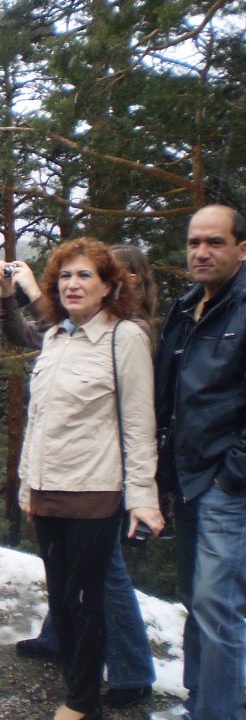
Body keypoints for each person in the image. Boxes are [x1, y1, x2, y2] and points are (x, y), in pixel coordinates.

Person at [0, 252, 158, 709]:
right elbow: (41, 421)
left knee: (86, 601)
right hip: (48, 490)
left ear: (109, 286)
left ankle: (82, 704)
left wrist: (143, 498)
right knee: (63, 602)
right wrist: (28, 487)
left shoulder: (124, 338)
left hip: (93, 491)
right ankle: (77, 691)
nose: (73, 284)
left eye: (85, 275)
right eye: (64, 276)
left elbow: (139, 425)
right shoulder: (55, 337)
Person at [155, 205, 246, 720]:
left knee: (217, 606)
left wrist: (232, 472)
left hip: (222, 482)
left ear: (242, 249)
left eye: (214, 242)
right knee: (197, 598)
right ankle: (199, 703)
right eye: (194, 242)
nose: (201, 252)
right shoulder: (187, 304)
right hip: (189, 476)